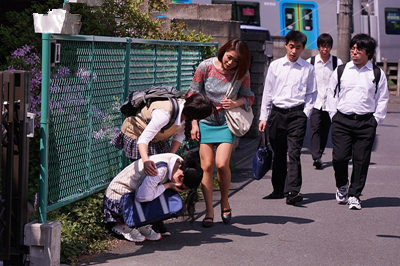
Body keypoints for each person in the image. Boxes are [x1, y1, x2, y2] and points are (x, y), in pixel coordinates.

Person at [111, 92, 213, 234]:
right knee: (146, 180)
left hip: (158, 138)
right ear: (193, 113)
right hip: (137, 135)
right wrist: (147, 162)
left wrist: (170, 160)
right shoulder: (164, 114)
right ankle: (132, 220)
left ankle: (153, 219)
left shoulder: (186, 115)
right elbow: (143, 140)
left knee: (162, 177)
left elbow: (179, 137)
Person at [187, 39, 254, 227]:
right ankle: (209, 211)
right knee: (206, 166)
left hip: (226, 123)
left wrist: (235, 103)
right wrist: (194, 123)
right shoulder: (205, 67)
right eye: (229, 57)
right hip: (205, 121)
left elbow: (249, 97)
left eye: (236, 61)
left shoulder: (242, 74)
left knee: (222, 164)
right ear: (223, 51)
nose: (231, 63)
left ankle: (224, 201)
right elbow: (192, 95)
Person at [325, 34, 389, 210]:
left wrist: (376, 120)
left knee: (361, 160)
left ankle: (354, 195)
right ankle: (342, 184)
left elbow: (382, 98)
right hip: (342, 121)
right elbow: (331, 93)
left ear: (367, 53)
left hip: (366, 122)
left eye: (358, 49)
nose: (354, 52)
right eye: (352, 48)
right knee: (339, 158)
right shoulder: (341, 70)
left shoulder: (377, 73)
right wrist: (333, 115)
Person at [258, 30, 316, 205]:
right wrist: (263, 117)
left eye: (298, 48)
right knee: (279, 153)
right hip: (276, 114)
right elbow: (267, 93)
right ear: (286, 45)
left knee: (294, 153)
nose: (293, 51)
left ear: (303, 49)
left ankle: (293, 191)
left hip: (296, 115)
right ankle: (278, 190)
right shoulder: (275, 66)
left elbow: (312, 95)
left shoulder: (308, 69)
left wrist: (305, 114)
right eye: (291, 47)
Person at [103, 151, 203, 242]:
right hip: (118, 194)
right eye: (181, 188)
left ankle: (140, 223)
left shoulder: (178, 162)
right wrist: (167, 186)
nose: (178, 189)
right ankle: (122, 225)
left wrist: (167, 187)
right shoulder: (159, 171)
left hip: (134, 192)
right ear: (180, 177)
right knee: (158, 192)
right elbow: (142, 197)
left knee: (161, 193)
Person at [307, 33, 343, 169]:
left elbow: (340, 83)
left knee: (325, 130)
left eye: (327, 46)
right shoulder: (311, 62)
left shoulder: (336, 62)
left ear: (330, 47)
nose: (325, 49)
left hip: (330, 103)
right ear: (318, 47)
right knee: (314, 128)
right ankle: (316, 156)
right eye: (322, 46)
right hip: (315, 101)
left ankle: (319, 153)